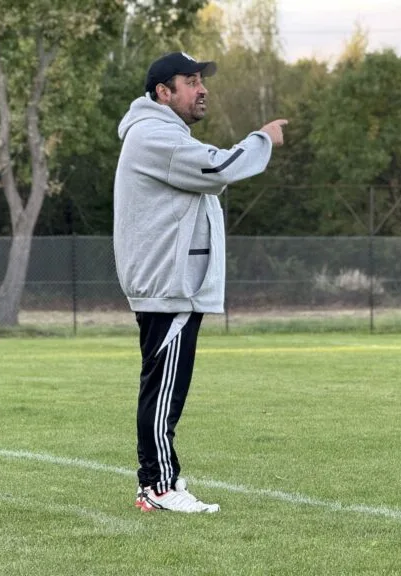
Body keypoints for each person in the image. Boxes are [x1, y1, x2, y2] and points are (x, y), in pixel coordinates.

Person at [113, 52, 287, 513]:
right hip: (169, 285)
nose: (202, 88)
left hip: (172, 285)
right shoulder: (155, 136)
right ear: (162, 93)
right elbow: (221, 168)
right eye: (190, 81)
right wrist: (262, 139)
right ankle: (159, 486)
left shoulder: (162, 134)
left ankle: (155, 484)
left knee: (164, 385)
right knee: (164, 387)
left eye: (200, 81)